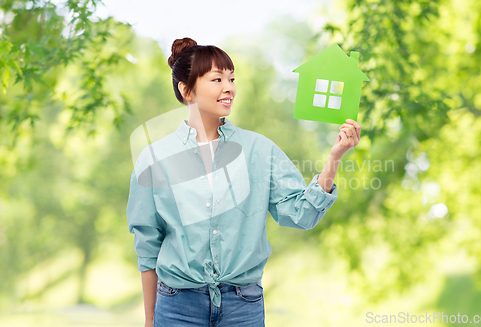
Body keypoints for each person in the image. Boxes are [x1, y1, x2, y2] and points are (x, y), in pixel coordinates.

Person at [126, 37, 361, 327]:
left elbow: (301, 214)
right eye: (217, 79)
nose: (229, 88)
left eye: (231, 78)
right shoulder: (155, 158)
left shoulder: (260, 150)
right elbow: (148, 248)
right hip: (177, 307)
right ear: (186, 90)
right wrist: (150, 320)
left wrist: (334, 157)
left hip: (243, 307)